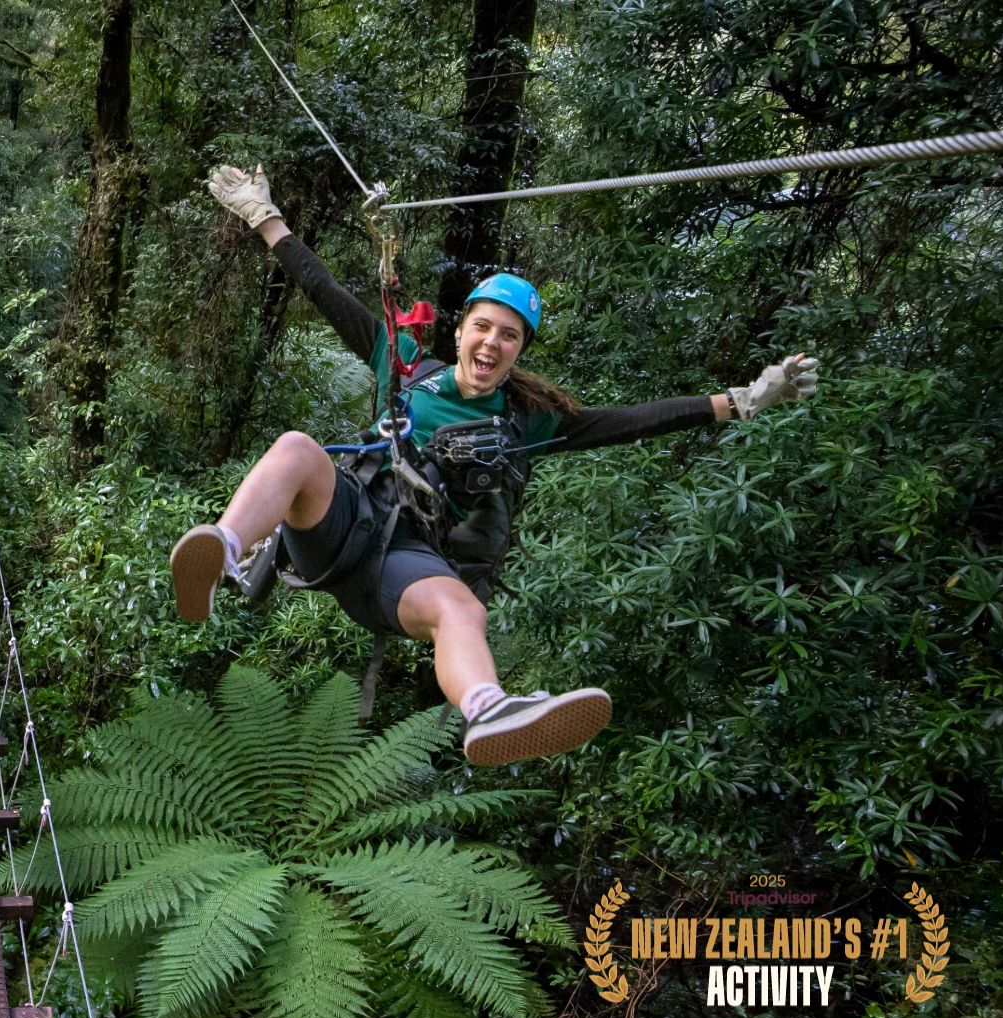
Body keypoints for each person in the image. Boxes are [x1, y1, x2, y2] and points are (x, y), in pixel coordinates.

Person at [174, 163, 820, 767]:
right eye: (483, 327)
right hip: (342, 524)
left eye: (509, 335)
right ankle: (224, 550)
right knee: (297, 448)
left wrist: (739, 402)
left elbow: (631, 421)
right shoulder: (404, 365)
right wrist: (265, 218)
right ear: (460, 331)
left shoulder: (526, 420)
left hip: (409, 562)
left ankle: (489, 710)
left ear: (519, 350)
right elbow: (325, 291)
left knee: (463, 610)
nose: (493, 342)